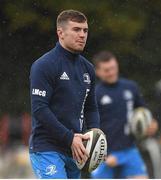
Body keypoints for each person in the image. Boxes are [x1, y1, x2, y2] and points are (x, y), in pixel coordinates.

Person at [29, 9, 100, 179]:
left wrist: (96, 135)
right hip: (47, 148)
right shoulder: (44, 65)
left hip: (75, 151)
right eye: (76, 29)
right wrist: (69, 138)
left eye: (85, 30)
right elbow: (40, 110)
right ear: (60, 33)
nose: (82, 35)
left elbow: (91, 107)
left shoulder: (88, 68)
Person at [91, 51, 158, 179]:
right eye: (106, 70)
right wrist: (101, 153)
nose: (111, 72)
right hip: (104, 154)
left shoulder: (130, 87)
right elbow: (87, 127)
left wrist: (152, 123)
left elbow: (143, 111)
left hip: (129, 149)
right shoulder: (94, 94)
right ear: (98, 72)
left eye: (113, 68)